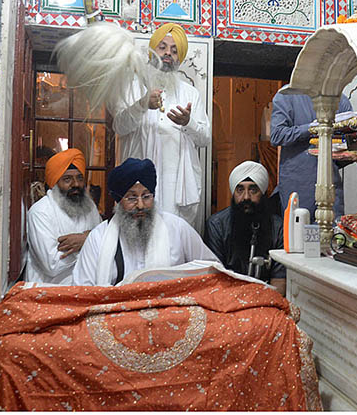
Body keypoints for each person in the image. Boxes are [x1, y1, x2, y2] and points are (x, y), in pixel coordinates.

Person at [113, 23, 210, 230]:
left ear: (179, 58)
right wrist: (142, 105)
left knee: (174, 238)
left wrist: (188, 123)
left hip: (177, 187)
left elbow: (205, 139)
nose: (168, 54)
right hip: (139, 185)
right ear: (152, 51)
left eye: (174, 50)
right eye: (163, 47)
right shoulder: (132, 88)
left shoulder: (190, 93)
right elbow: (119, 127)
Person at [73, 158, 218, 286]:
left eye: (146, 196)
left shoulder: (177, 228)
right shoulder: (98, 237)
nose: (141, 205)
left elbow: (212, 270)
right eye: (131, 198)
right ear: (118, 201)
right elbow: (82, 289)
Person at [204, 161, 286, 294]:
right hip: (228, 296)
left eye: (253, 190)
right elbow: (215, 278)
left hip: (266, 297)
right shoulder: (216, 225)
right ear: (233, 192)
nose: (246, 197)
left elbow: (279, 280)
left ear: (262, 192)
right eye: (240, 190)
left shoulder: (278, 227)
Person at [270, 90, 352, 218]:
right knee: (298, 228)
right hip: (297, 185)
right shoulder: (286, 95)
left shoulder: (340, 100)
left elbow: (349, 142)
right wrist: (311, 128)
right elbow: (277, 135)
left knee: (333, 228)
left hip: (331, 185)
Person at [26, 148, 101, 284]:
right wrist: (88, 242)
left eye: (79, 178)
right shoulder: (40, 212)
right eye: (67, 179)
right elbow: (52, 265)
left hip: (86, 287)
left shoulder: (89, 206)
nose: (76, 184)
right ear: (54, 183)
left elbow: (103, 243)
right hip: (49, 290)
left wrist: (86, 239)